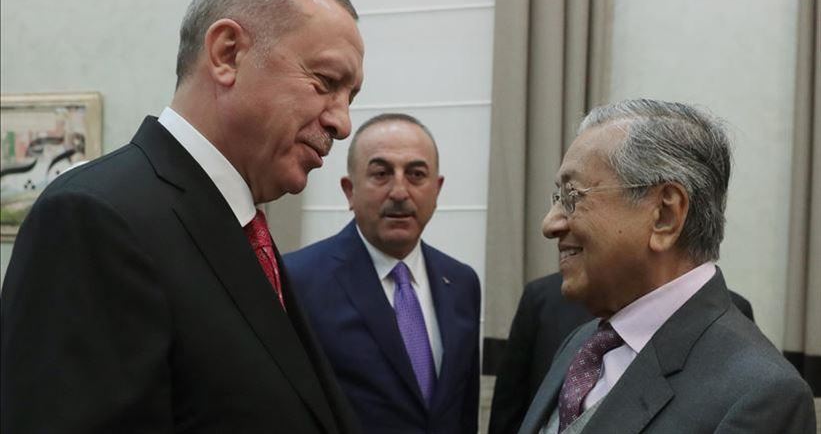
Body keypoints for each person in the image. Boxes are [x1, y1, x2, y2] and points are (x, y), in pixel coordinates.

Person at [1, 0, 364, 433]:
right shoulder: (96, 219)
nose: (342, 123)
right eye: (325, 82)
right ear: (228, 54)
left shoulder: (238, 227)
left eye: (349, 97)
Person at [516, 99, 815, 434]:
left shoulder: (762, 396)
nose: (550, 224)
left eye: (573, 196)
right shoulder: (582, 343)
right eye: (557, 198)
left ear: (665, 215)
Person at [283, 114, 481, 434]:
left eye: (416, 175)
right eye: (381, 174)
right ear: (349, 191)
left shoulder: (461, 282)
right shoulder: (298, 280)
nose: (400, 192)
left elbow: (464, 411)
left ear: (437, 189)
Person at [487, 272, 755, 434]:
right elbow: (509, 411)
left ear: (664, 217)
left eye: (579, 201)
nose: (552, 224)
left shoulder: (727, 318)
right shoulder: (548, 303)